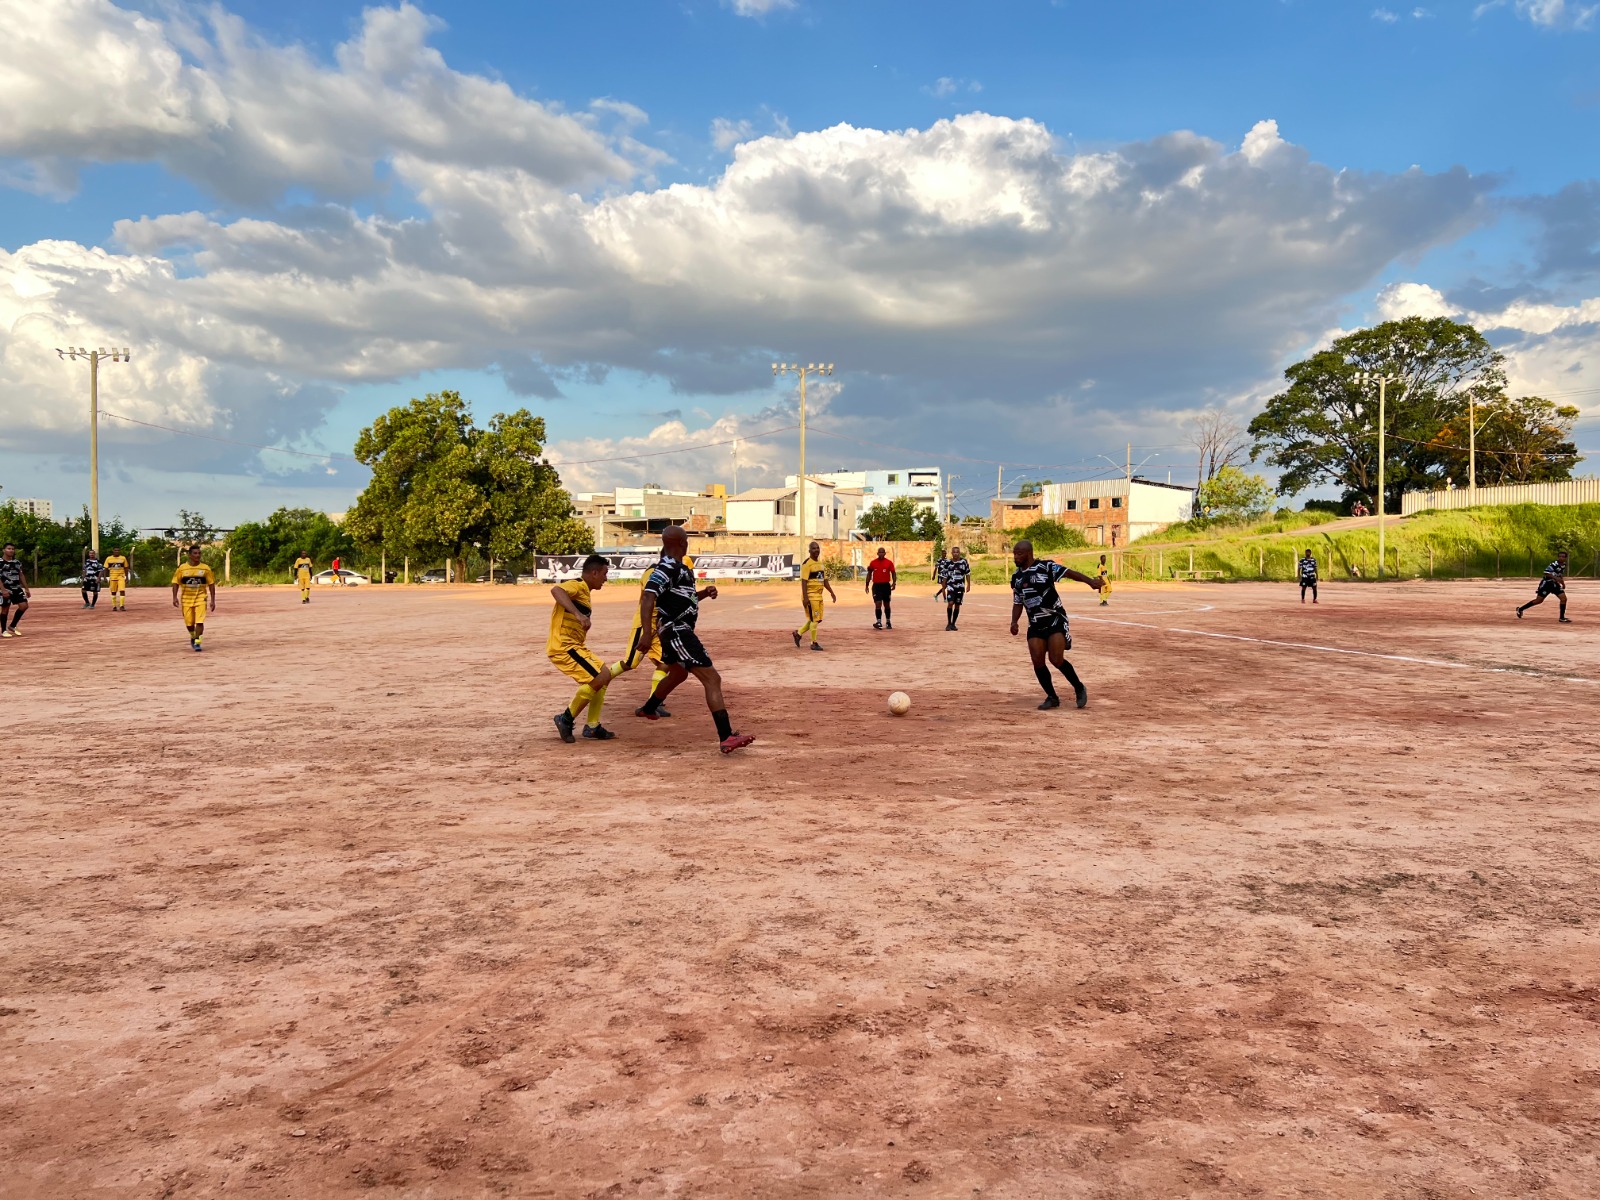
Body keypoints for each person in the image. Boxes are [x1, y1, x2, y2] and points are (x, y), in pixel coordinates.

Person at [633, 526, 754, 753]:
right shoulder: (667, 566)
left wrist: (703, 594)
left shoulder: (679, 568)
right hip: (678, 631)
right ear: (682, 543)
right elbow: (649, 596)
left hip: (675, 629)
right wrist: (647, 634)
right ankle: (726, 736)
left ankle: (648, 708)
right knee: (712, 679)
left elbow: (683, 598)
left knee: (678, 673)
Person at [1009, 539, 1102, 710]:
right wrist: (1014, 621)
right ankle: (1052, 697)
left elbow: (1069, 573)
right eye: (1014, 553)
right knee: (1037, 661)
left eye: (1019, 553)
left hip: (1055, 619)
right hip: (1035, 624)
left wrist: (1090, 582)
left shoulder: (1046, 567)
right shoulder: (1016, 577)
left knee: (1056, 659)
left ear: (1028, 553)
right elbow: (1017, 602)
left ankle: (1079, 687)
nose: (1015, 556)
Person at [549, 553, 623, 742]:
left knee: (603, 676)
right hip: (564, 646)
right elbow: (556, 590)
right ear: (594, 572)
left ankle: (592, 726)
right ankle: (565, 718)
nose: (606, 578)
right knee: (601, 676)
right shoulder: (578, 585)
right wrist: (578, 614)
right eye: (605, 574)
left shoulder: (585, 591)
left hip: (575, 646)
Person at [619, 551, 694, 718]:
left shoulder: (674, 578)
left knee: (666, 662)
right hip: (644, 624)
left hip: (660, 624)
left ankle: (655, 702)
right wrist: (646, 633)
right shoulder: (653, 574)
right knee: (630, 663)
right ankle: (601, 680)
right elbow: (649, 598)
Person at [793, 541, 838, 651]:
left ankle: (798, 633)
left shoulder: (821, 564)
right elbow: (803, 581)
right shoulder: (806, 564)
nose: (816, 550)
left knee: (816, 619)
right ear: (809, 551)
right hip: (810, 596)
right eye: (813, 548)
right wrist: (806, 598)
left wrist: (831, 592)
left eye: (817, 548)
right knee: (814, 620)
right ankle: (813, 643)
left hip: (819, 596)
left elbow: (824, 580)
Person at [170, 545, 216, 651]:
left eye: (199, 553)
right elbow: (175, 582)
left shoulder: (205, 568)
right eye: (195, 553)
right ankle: (193, 635)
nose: (198, 555)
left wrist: (213, 600)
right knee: (189, 623)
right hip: (186, 599)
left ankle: (197, 642)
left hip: (201, 597)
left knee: (199, 621)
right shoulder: (182, 568)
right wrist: (174, 597)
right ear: (189, 555)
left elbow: (211, 584)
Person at [1517, 552, 1572, 624]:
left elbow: (1560, 574)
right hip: (1547, 584)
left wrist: (1562, 583)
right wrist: (1555, 578)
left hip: (1555, 584)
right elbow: (1546, 572)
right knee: (1539, 600)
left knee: (1563, 599)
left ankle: (1562, 617)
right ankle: (1520, 609)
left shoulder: (1563, 565)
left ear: (1565, 558)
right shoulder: (1554, 564)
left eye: (1563, 557)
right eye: (1560, 556)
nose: (1561, 558)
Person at [934, 545, 971, 631]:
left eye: (957, 552)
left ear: (959, 553)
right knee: (950, 603)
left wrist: (968, 584)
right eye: (954, 552)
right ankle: (948, 623)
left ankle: (953, 624)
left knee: (957, 605)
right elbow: (945, 575)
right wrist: (943, 586)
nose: (956, 554)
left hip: (960, 587)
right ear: (951, 553)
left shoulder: (964, 562)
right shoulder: (948, 563)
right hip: (951, 586)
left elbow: (967, 573)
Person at [0, 543, 30, 638]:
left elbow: (21, 575)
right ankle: (3, 630)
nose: (11, 550)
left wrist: (26, 588)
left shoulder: (17, 562)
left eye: (13, 549)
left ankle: (12, 625)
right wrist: (3, 590)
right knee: (5, 609)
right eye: (9, 548)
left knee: (24, 606)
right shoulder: (0, 562)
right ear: (4, 550)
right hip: (5, 588)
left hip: (16, 587)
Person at [865, 547, 897, 629]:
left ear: (885, 553)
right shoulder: (873, 563)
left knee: (887, 604)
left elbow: (893, 573)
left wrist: (894, 583)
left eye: (883, 552)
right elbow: (869, 574)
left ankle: (888, 621)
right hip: (877, 586)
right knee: (878, 604)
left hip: (886, 586)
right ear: (877, 553)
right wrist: (867, 585)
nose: (881, 554)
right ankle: (879, 622)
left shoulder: (889, 563)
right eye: (880, 552)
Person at [103, 546, 130, 611]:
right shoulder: (109, 558)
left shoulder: (123, 558)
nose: (117, 552)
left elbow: (126, 568)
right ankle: (114, 606)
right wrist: (104, 577)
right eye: (115, 550)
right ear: (113, 551)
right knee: (113, 592)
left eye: (118, 550)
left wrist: (127, 577)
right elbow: (105, 568)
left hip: (121, 576)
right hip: (112, 577)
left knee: (122, 590)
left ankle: (122, 605)